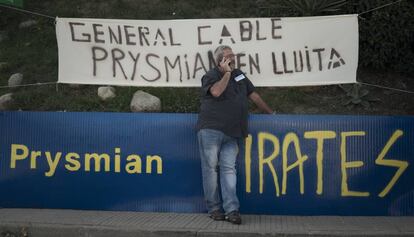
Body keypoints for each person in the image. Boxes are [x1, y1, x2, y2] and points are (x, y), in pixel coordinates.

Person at [196, 45, 273, 225]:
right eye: (228, 56)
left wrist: (270, 113)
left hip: (234, 131)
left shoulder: (240, 74)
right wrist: (227, 73)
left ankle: (232, 210)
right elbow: (215, 92)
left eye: (233, 55)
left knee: (229, 169)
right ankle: (214, 209)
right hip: (211, 129)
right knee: (210, 170)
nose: (233, 57)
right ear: (219, 60)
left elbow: (253, 95)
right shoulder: (211, 75)